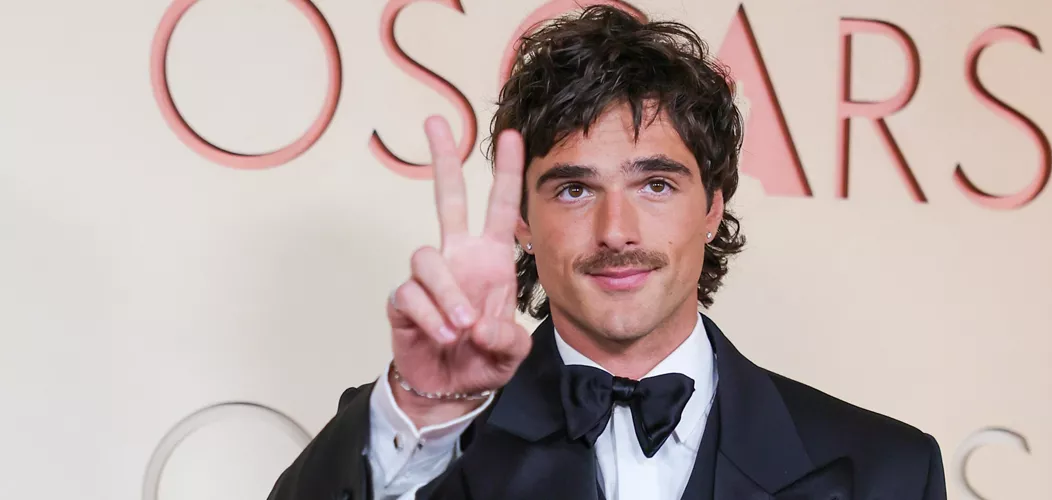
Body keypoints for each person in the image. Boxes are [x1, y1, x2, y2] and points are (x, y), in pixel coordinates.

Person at [268, 6, 946, 500]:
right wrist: (425, 417)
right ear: (523, 223)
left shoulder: (887, 469)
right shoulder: (417, 430)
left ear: (712, 207)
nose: (616, 230)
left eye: (655, 184)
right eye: (572, 190)